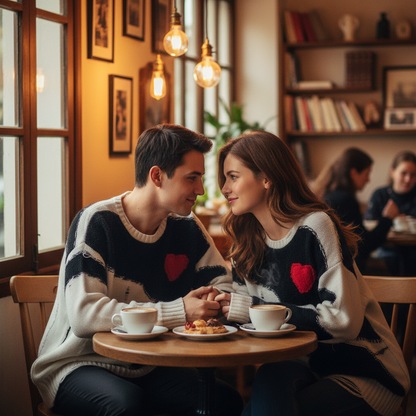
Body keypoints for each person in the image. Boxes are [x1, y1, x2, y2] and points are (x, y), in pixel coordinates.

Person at [31, 124, 243, 416]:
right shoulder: (97, 222)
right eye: (191, 178)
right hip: (78, 364)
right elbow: (84, 315)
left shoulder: (186, 225)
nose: (200, 190)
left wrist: (213, 298)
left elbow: (223, 281)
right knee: (126, 406)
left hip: (149, 365)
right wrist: (179, 311)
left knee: (224, 399)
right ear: (156, 176)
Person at [214, 131, 409, 416]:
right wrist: (219, 309)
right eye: (224, 178)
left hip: (363, 373)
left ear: (266, 178)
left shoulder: (316, 227)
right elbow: (247, 317)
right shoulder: (246, 243)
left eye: (233, 176)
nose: (224, 188)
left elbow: (344, 322)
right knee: (269, 378)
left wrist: (249, 308)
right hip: (305, 367)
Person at [313, 147, 399, 273]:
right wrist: (387, 219)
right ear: (354, 173)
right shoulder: (345, 200)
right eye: (367, 174)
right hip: (345, 273)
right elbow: (363, 246)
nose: (368, 179)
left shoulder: (326, 195)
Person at [364, 151, 416, 276]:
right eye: (403, 173)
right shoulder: (380, 195)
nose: (408, 179)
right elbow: (368, 223)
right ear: (392, 172)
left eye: (413, 175)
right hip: (387, 248)